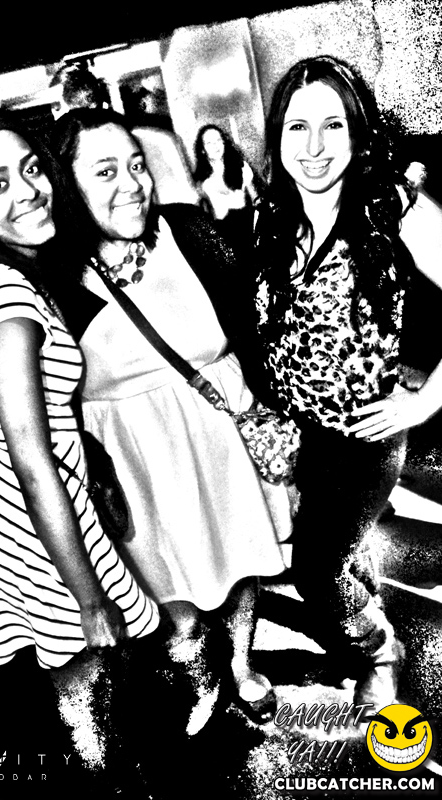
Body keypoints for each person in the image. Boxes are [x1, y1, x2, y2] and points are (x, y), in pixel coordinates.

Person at [0, 106, 160, 776]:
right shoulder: (5, 295)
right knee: (88, 685)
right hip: (37, 525)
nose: (28, 190)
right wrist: (87, 597)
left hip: (25, 517)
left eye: (31, 169)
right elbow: (31, 460)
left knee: (83, 692)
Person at [52, 107, 287, 726]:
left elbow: (255, 322)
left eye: (137, 165)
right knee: (167, 595)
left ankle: (240, 665)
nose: (133, 183)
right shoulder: (52, 278)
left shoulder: (187, 230)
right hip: (131, 458)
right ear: (66, 186)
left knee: (239, 563)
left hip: (220, 432)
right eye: (106, 171)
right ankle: (200, 678)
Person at [253, 55, 442, 708]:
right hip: (301, 437)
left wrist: (424, 401)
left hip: (364, 436)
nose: (312, 147)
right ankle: (368, 615)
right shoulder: (274, 219)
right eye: (296, 127)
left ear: (358, 133)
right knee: (341, 552)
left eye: (331, 125)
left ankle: (380, 651)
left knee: (314, 569)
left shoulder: (393, 210)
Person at [193, 124, 260, 265]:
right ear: (202, 150)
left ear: (224, 143)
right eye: (209, 143)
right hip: (225, 240)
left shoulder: (240, 167)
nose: (215, 146)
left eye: (218, 140)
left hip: (248, 232)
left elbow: (256, 200)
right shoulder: (201, 182)